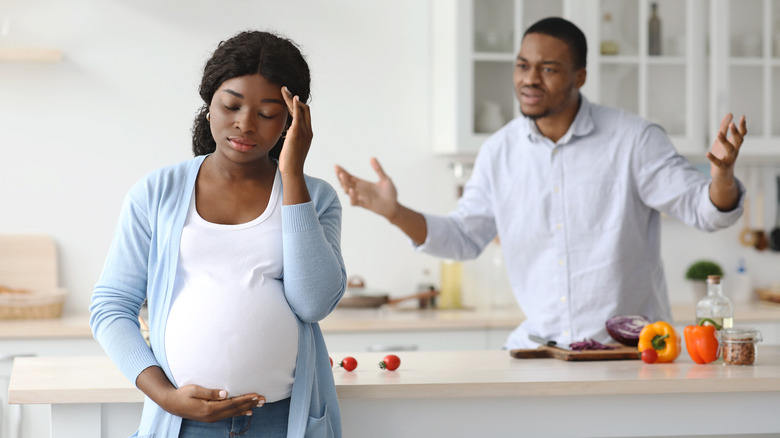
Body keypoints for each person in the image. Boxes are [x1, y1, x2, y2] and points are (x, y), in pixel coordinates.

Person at [334, 17, 747, 350]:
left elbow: (706, 210)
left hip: (633, 352)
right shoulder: (500, 152)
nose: (530, 79)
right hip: (541, 350)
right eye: (523, 65)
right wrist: (393, 212)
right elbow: (462, 238)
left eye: (548, 69)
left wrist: (722, 176)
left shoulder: (632, 140)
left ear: (579, 76)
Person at [90, 30, 346, 437]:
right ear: (209, 106)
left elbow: (313, 303)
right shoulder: (156, 192)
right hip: (182, 423)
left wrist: (292, 175)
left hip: (282, 423)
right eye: (231, 105)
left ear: (291, 121)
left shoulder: (316, 197)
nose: (245, 124)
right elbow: (111, 306)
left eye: (266, 114)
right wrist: (164, 395)